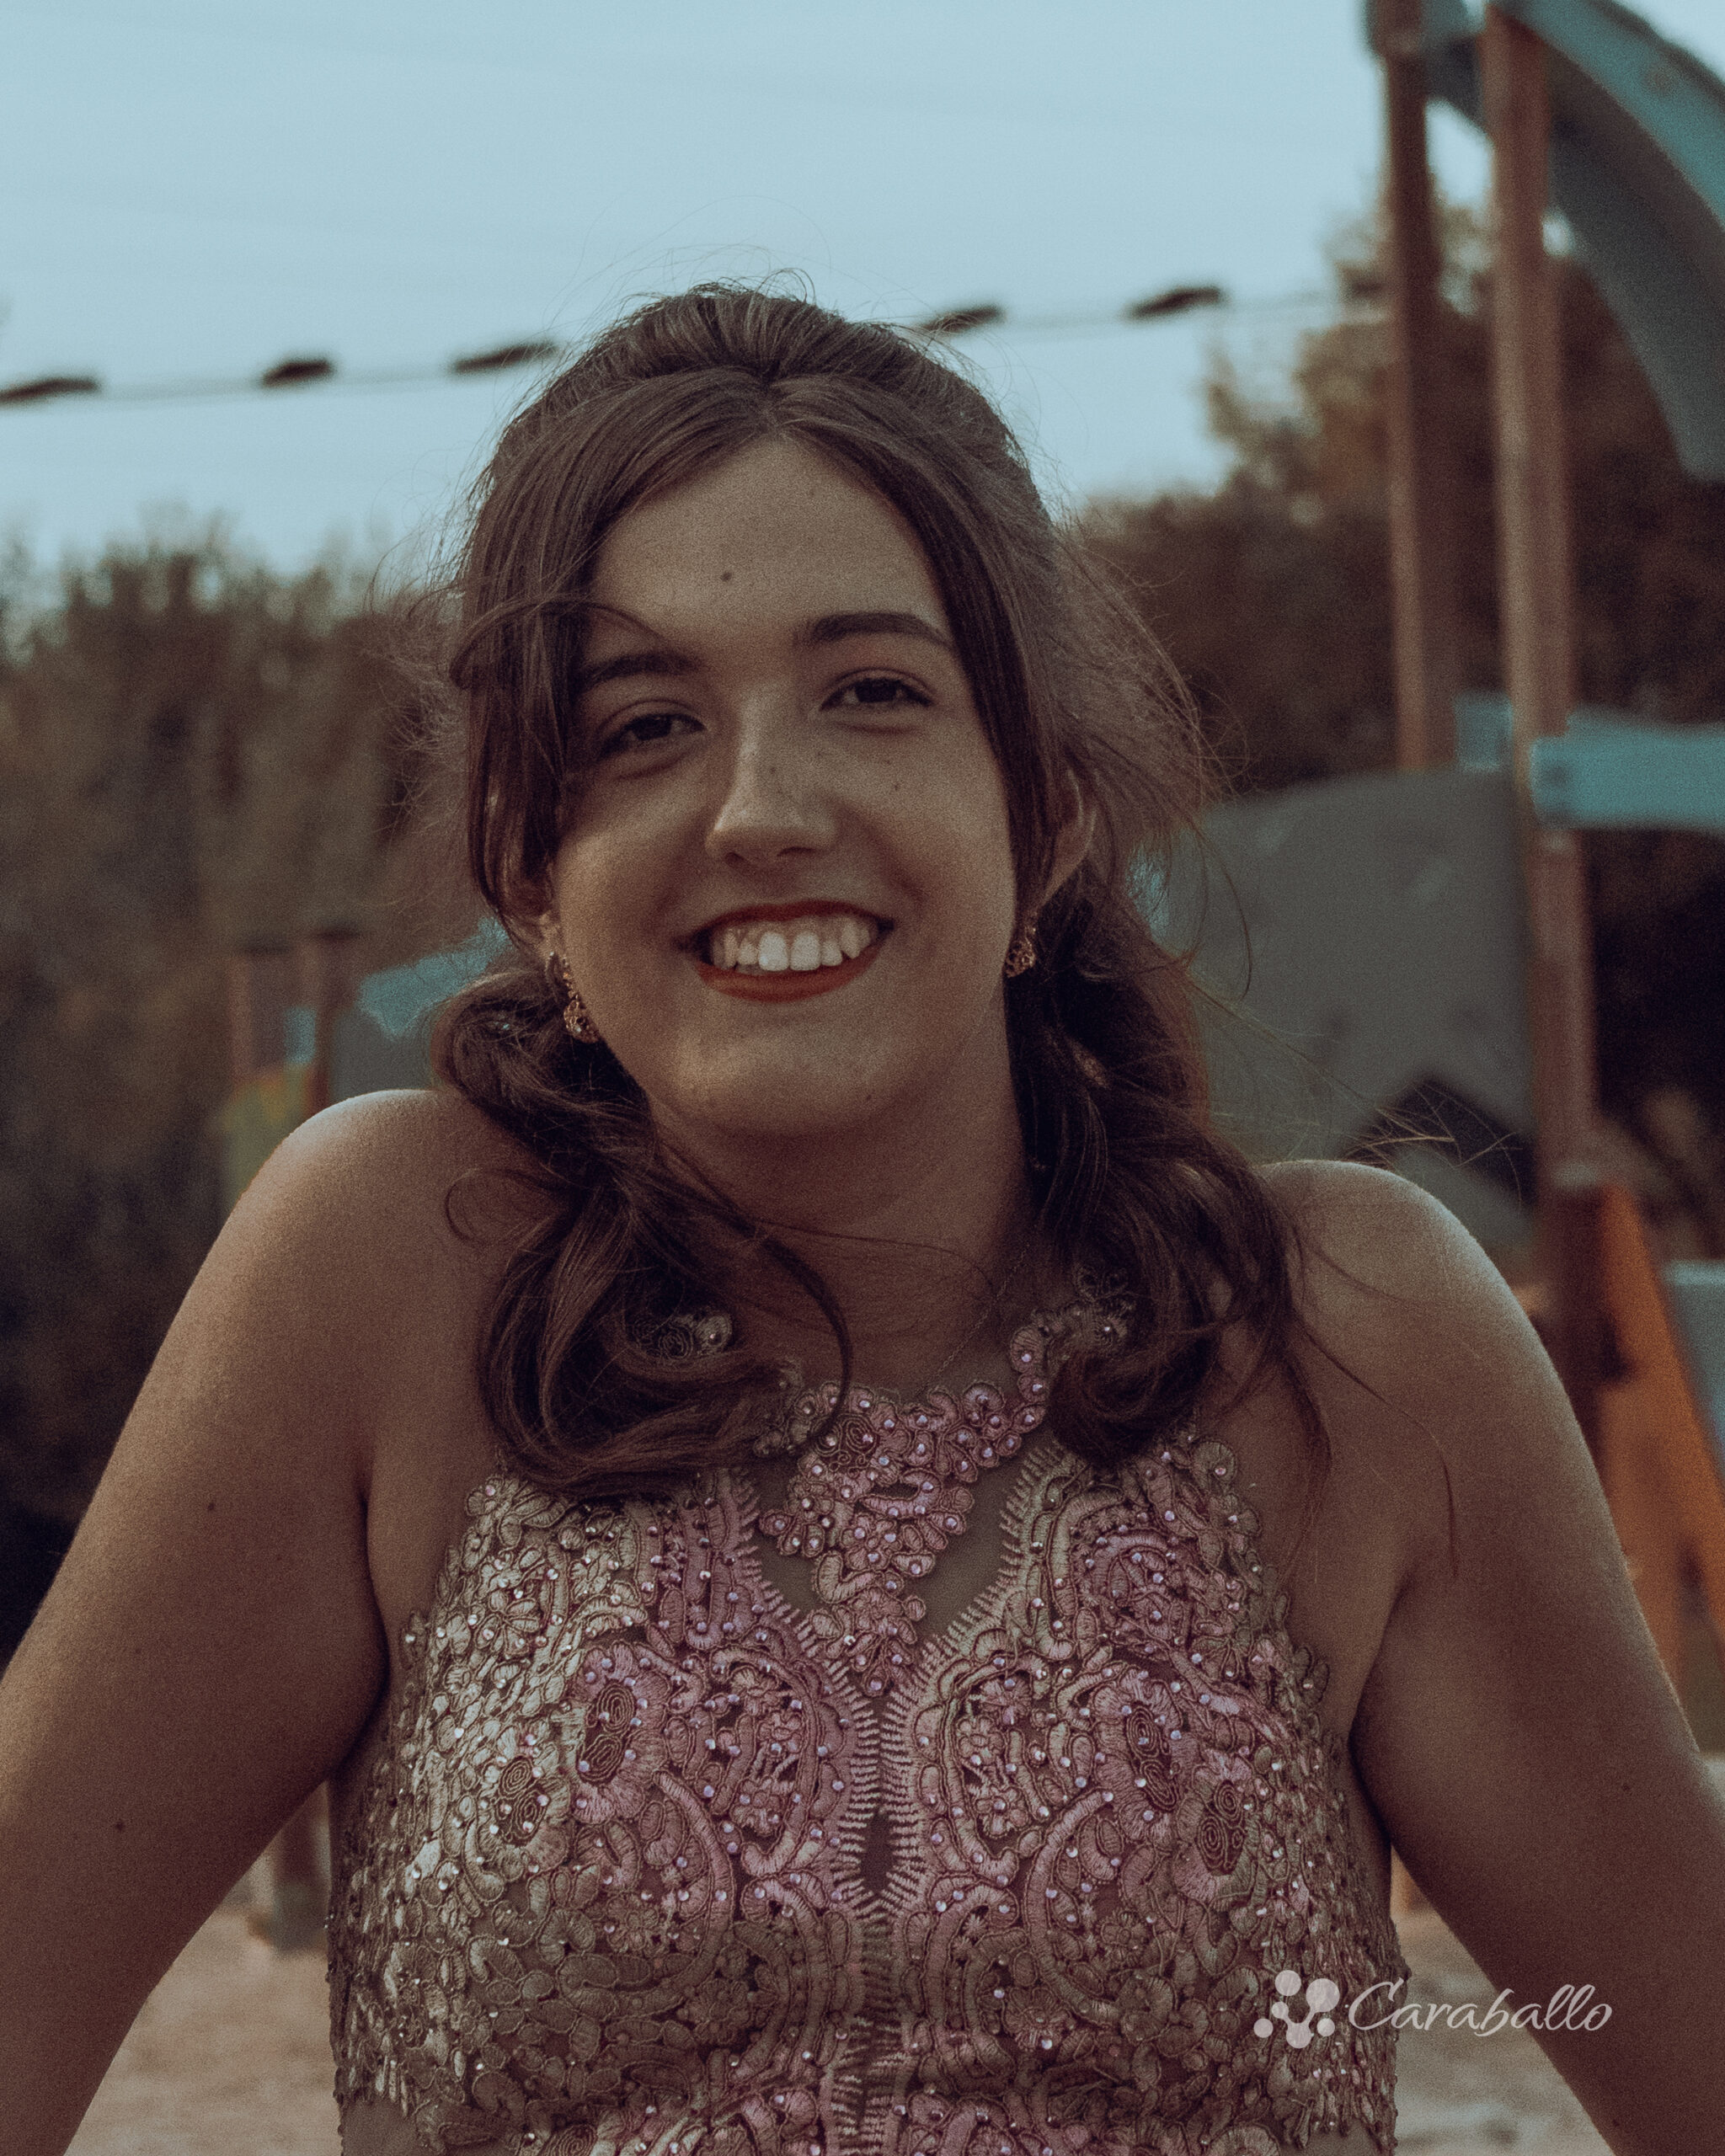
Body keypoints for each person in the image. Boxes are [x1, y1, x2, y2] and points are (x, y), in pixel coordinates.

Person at [1, 285, 1721, 2156]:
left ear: (1046, 813)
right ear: (531, 867)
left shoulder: (1341, 1344)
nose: (762, 807)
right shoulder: (391, 1280)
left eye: (875, 692)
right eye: (644, 723)